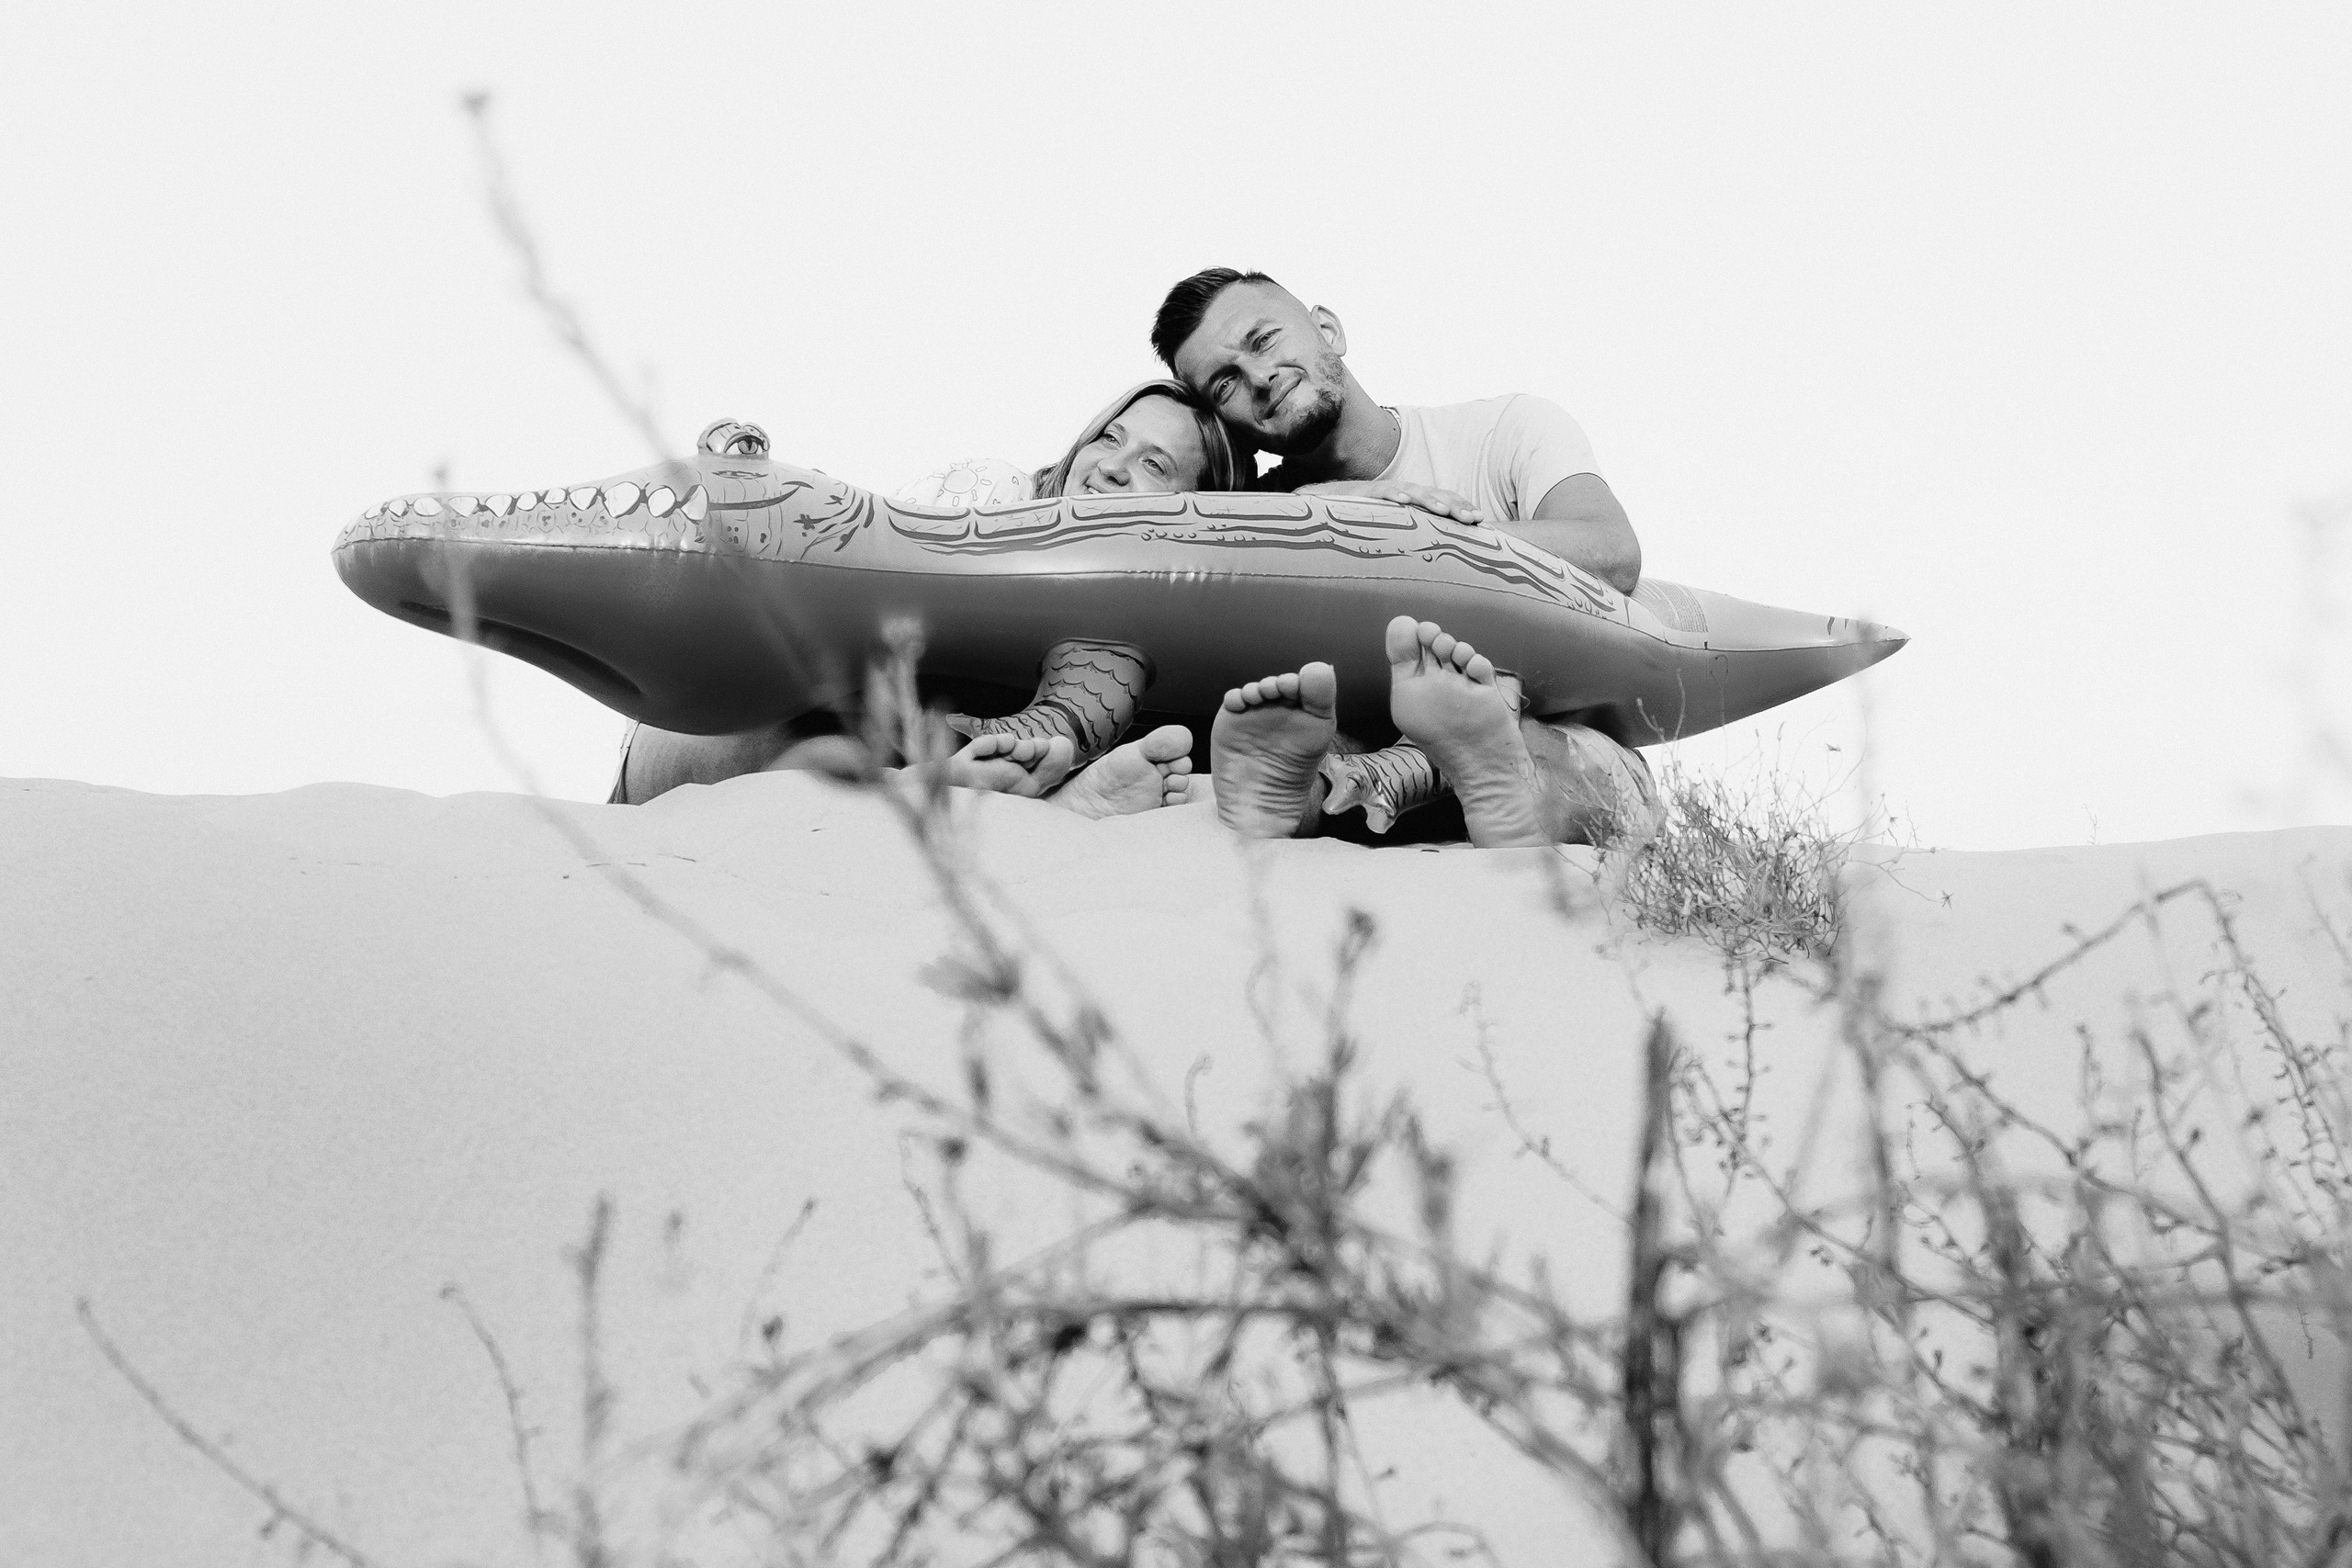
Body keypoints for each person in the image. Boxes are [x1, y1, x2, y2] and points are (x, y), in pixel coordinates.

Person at [1151, 267, 1659, 849]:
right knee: (1308, 752)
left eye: (1263, 340)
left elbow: (1612, 552)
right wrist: (1312, 507)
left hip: (1549, 751)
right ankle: (1295, 806)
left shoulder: (1504, 430)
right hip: (1360, 778)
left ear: (1328, 330)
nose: (1260, 378)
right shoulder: (1256, 516)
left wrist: (1403, 535)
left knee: (1569, 757)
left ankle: (1497, 782)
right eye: (1225, 384)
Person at [610, 381, 1247, 815]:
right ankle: (983, 796)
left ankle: (1013, 803)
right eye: (1110, 437)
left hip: (826, 815)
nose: (1111, 464)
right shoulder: (995, 492)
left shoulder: (1151, 650)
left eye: (1154, 465)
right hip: (709, 737)